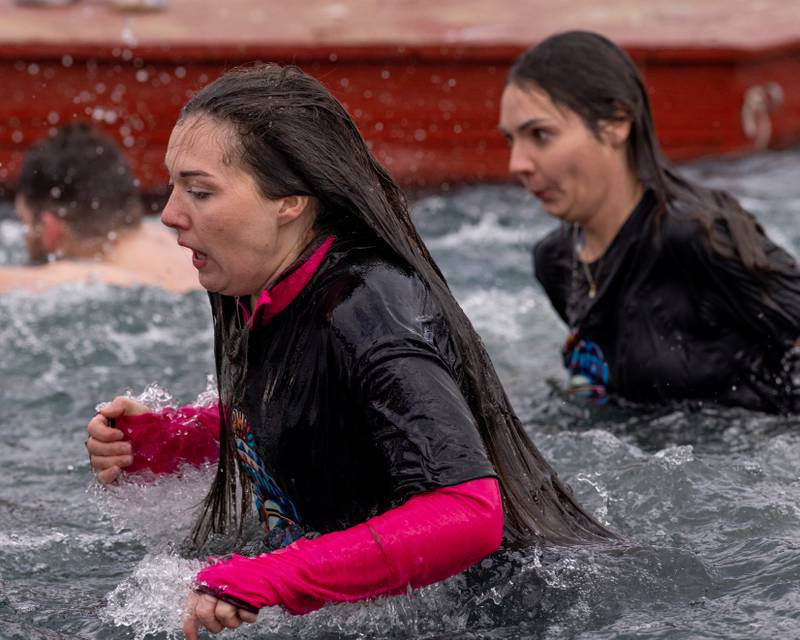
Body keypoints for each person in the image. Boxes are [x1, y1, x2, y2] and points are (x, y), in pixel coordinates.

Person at [85, 64, 614, 638]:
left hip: (516, 612)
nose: (170, 214)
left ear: (291, 202)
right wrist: (176, 438)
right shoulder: (263, 286)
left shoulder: (370, 308)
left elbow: (469, 513)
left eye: (201, 191)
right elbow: (322, 411)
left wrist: (275, 576)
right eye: (172, 185)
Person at [499, 30, 800, 413]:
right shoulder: (555, 260)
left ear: (616, 123)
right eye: (511, 139)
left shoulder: (699, 236)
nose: (517, 164)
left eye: (540, 135)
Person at [0, 122, 199, 293]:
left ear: (50, 228)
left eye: (24, 220)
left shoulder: (82, 278)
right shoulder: (182, 248)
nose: (24, 234)